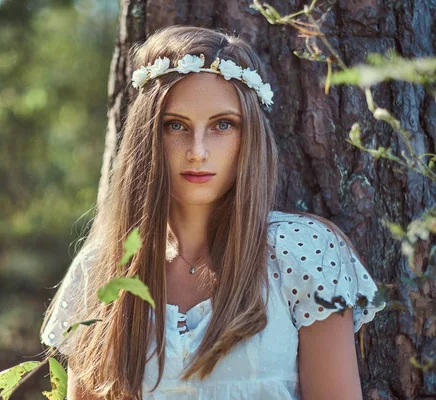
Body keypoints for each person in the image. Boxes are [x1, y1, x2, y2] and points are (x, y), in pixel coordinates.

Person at [39, 25, 386, 400]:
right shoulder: (102, 270)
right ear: (147, 136)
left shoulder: (303, 251)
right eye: (176, 125)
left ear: (248, 136)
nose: (198, 151)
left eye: (222, 125)